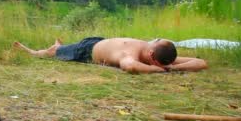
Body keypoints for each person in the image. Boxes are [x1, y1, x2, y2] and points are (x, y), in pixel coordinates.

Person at [13, 37, 208, 74]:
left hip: (104, 43)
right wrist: (158, 70)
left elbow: (201, 62)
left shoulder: (158, 54)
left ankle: (59, 46)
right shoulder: (130, 53)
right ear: (151, 54)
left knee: (60, 49)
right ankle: (32, 51)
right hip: (88, 49)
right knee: (52, 53)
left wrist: (174, 67)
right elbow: (129, 66)